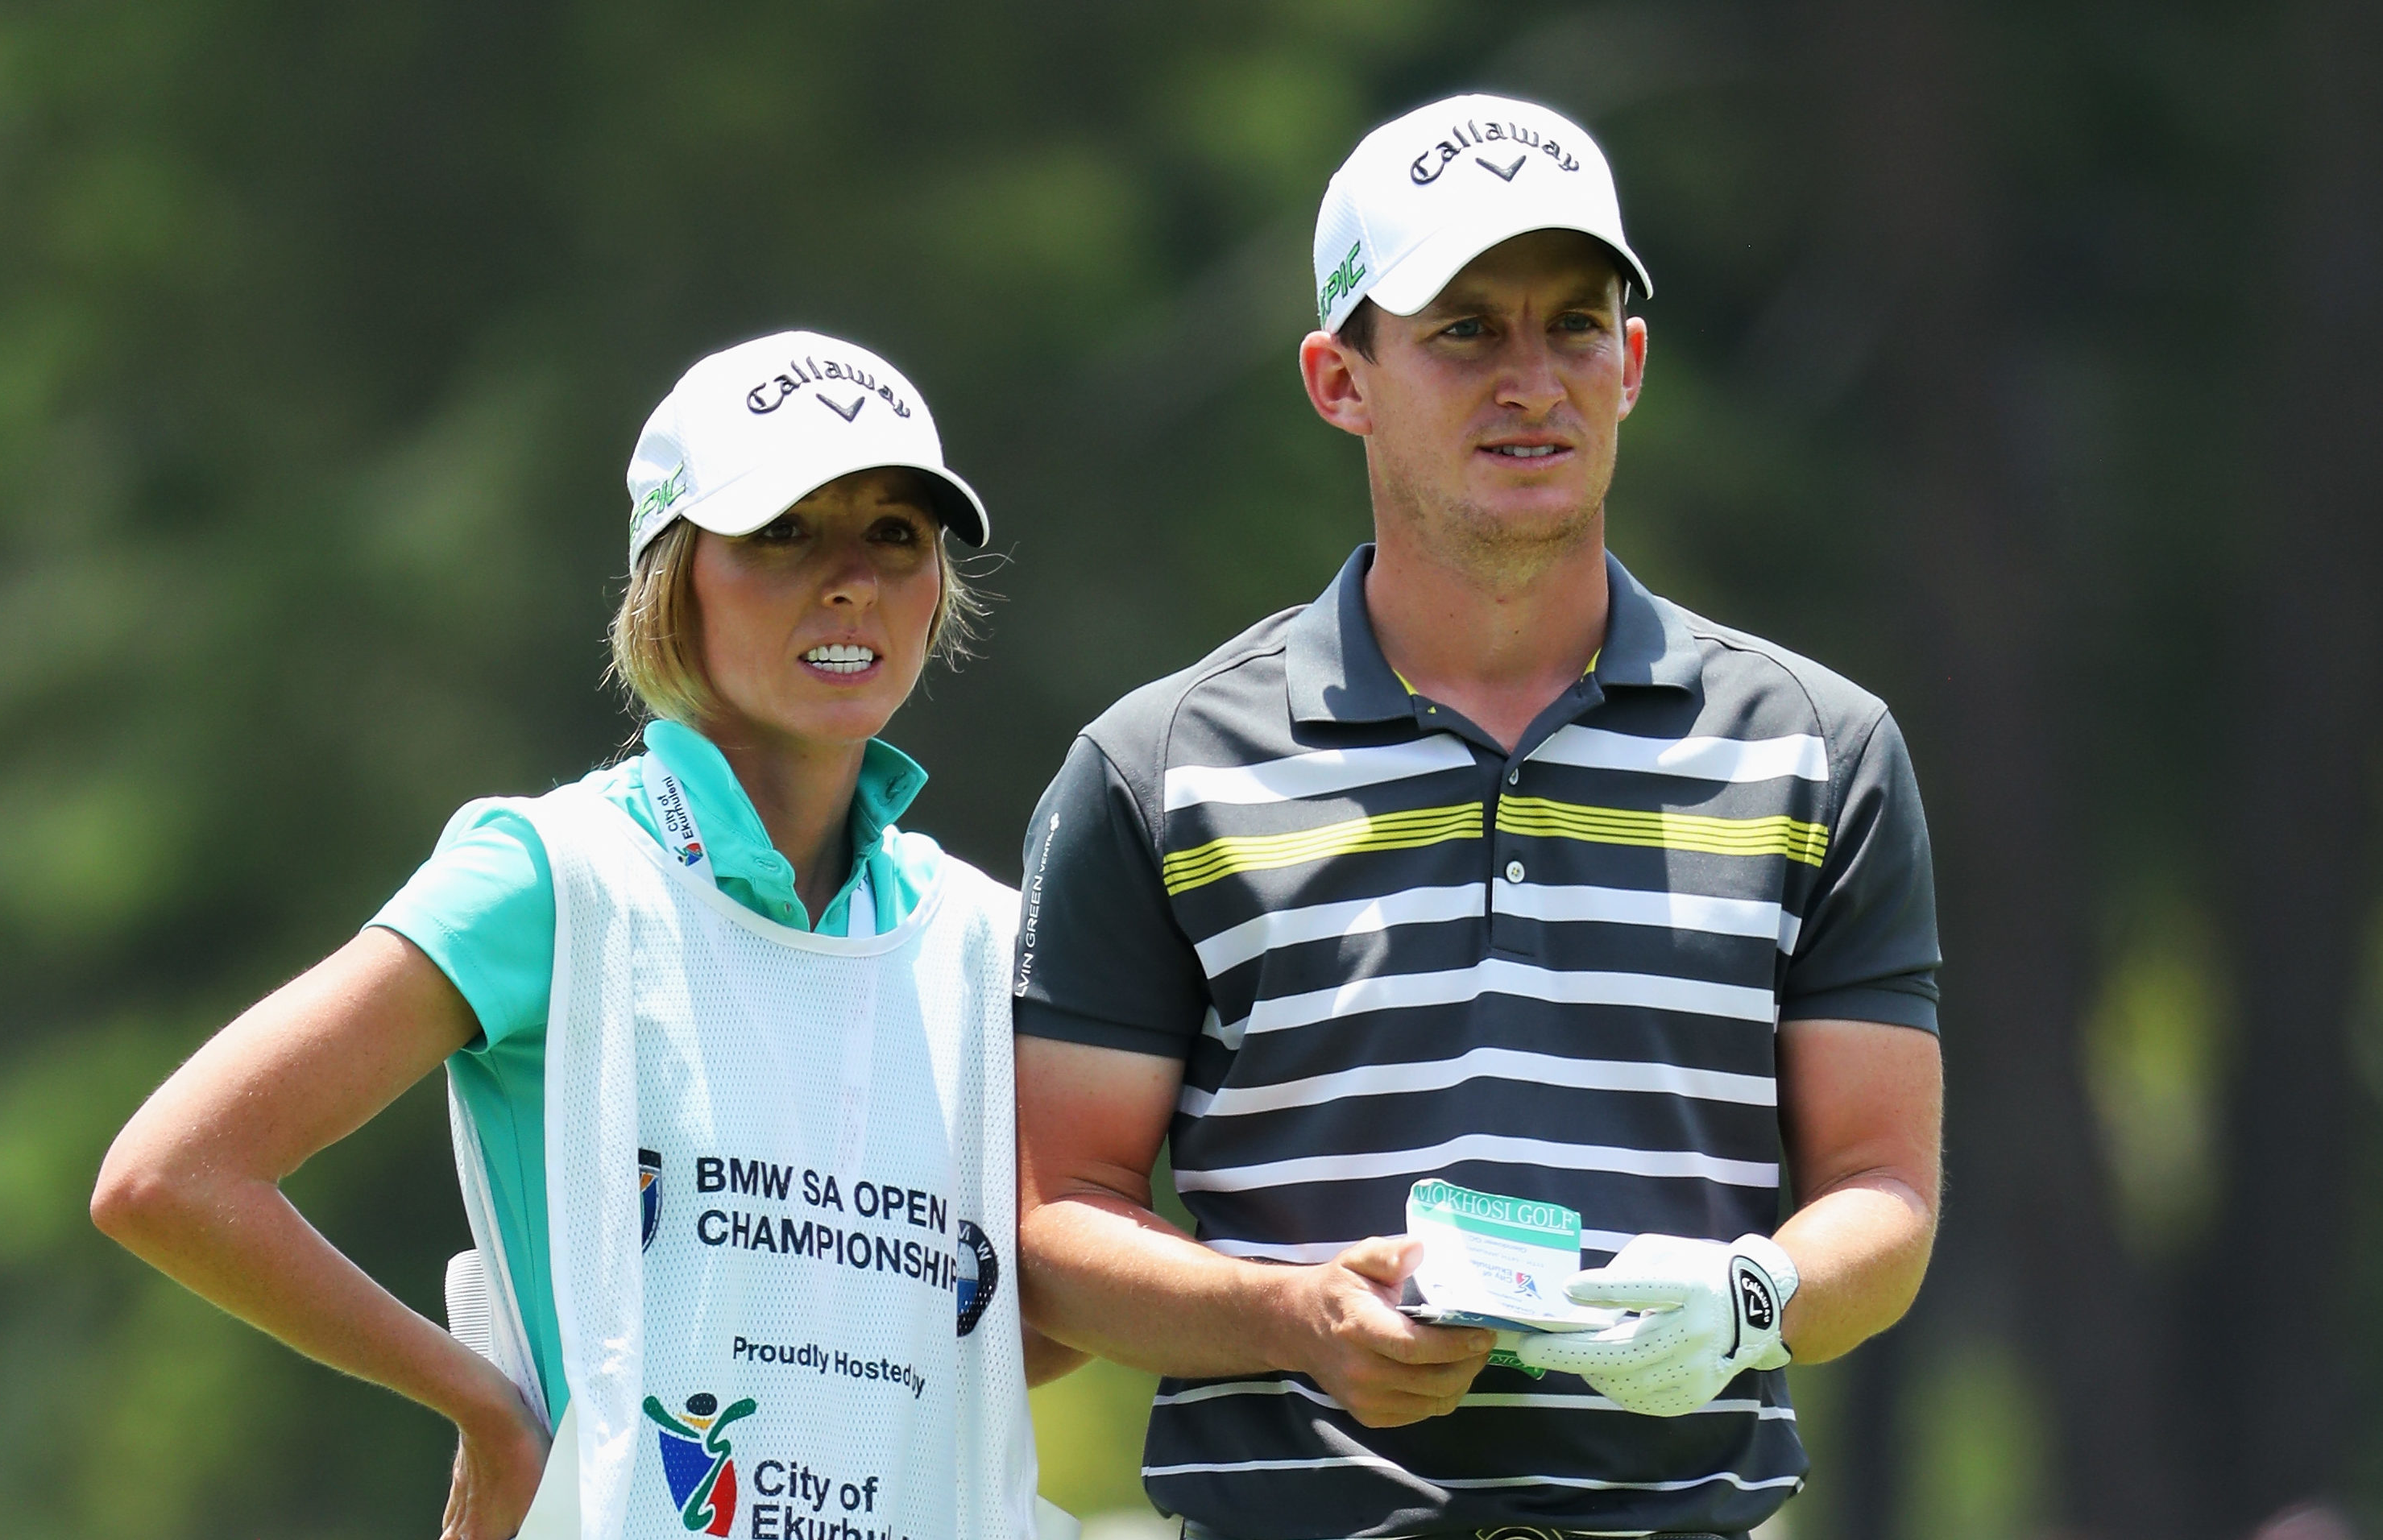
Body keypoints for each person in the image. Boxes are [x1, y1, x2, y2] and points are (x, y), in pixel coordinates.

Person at [1012, 94, 1943, 1538]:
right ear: (1341, 379)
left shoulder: (1820, 751)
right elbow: (1055, 1224)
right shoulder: (1163, 764)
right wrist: (1295, 1318)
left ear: (1630, 365)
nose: (1533, 380)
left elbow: (1884, 1189)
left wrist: (1753, 1301)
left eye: (1575, 326)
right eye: (1462, 331)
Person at [94, 331, 1056, 1540]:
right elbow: (171, 1176)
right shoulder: (554, 876)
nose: (853, 579)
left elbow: (1013, 1323)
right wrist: (485, 1411)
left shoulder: (986, 935)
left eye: (896, 535)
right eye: (784, 533)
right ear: (673, 576)